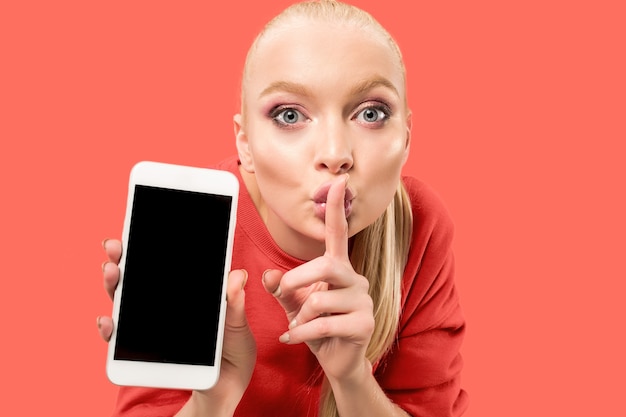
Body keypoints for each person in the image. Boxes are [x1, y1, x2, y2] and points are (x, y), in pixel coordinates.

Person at [97, 1, 468, 416]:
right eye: (289, 114)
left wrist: (351, 378)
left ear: (407, 137)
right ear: (245, 144)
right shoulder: (187, 224)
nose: (335, 154)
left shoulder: (419, 225)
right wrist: (212, 399)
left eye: (371, 113)